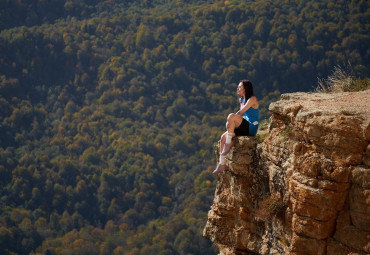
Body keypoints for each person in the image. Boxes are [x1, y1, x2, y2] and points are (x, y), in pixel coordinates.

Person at [213, 79, 260, 174]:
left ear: (245, 88)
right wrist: (230, 124)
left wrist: (231, 120)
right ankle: (222, 164)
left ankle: (229, 143)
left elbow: (240, 113)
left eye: (239, 87)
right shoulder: (241, 100)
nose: (237, 88)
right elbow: (240, 117)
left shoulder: (252, 99)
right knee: (223, 137)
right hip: (244, 126)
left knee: (231, 116)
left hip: (251, 128)